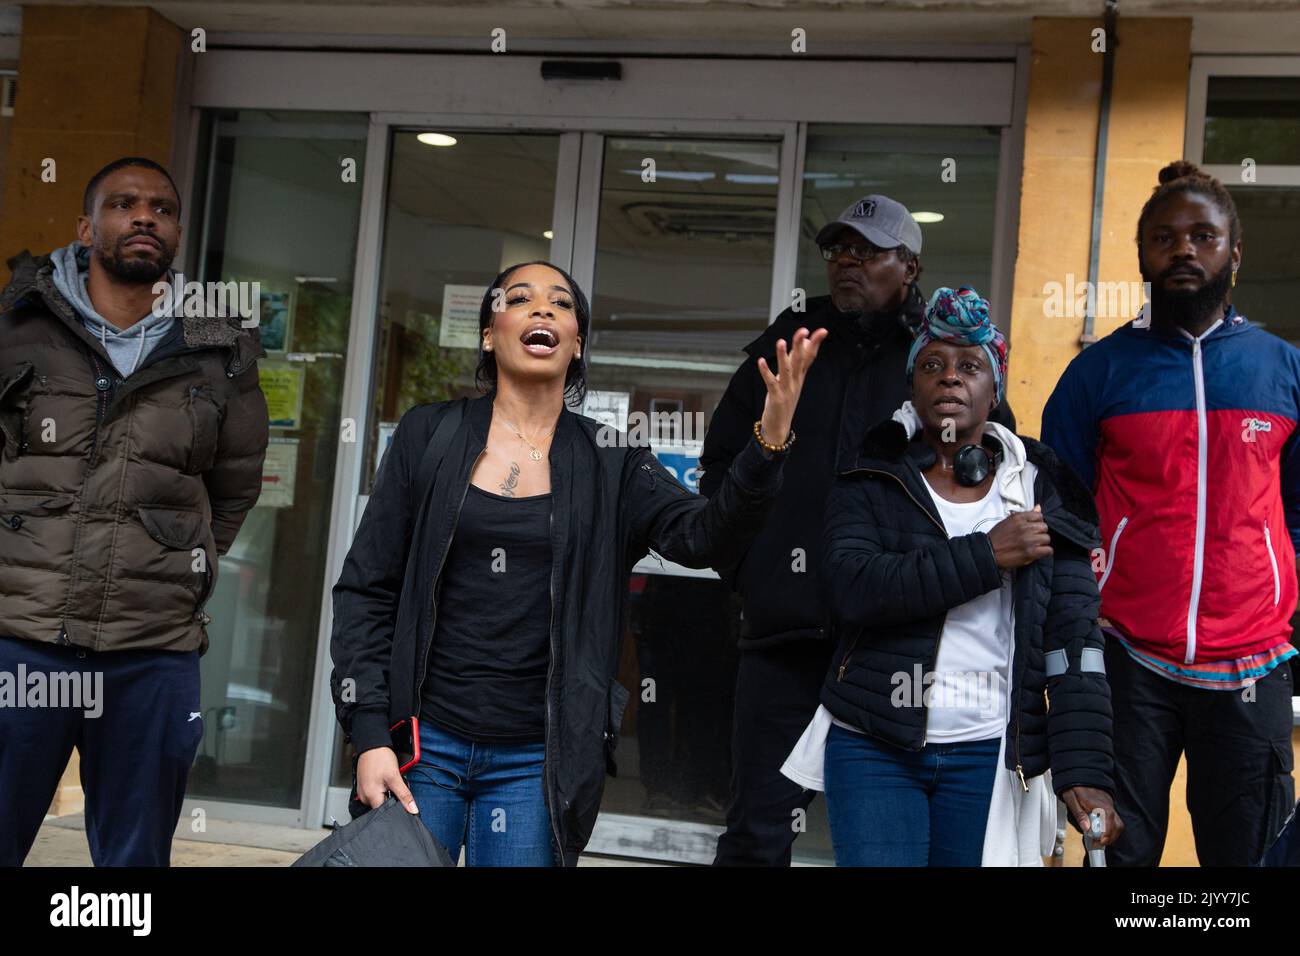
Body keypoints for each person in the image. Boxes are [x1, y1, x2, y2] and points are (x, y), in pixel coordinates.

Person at [329, 260, 825, 867]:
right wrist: (370, 735)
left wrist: (770, 440)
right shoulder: (428, 436)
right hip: (421, 747)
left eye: (561, 304)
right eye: (521, 298)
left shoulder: (610, 459)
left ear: (576, 343)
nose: (543, 310)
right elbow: (365, 590)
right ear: (490, 331)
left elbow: (706, 537)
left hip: (537, 762)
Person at [702, 195, 1015, 865]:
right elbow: (721, 471)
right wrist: (749, 568)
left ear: (909, 265)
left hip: (890, 645)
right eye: (839, 250)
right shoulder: (790, 343)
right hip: (786, 634)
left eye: (867, 252)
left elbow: (987, 478)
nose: (848, 263)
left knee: (893, 843)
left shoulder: (939, 358)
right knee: (759, 830)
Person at [781, 286, 1120, 866]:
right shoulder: (871, 476)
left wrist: (1085, 769)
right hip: (873, 743)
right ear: (912, 387)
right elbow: (855, 589)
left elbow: (1074, 641)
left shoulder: (1042, 487)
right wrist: (988, 555)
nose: (950, 378)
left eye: (971, 366)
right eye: (932, 365)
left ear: (995, 389)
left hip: (990, 753)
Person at [0, 157, 270, 866]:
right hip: (20, 639)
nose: (144, 216)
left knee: (132, 865)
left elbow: (236, 482)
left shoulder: (221, 349)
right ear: (87, 227)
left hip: (152, 653)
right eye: (123, 205)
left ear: (177, 233)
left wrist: (183, 563)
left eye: (161, 207)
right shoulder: (16, 327)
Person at [1042, 161, 1300, 866]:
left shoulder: (1283, 371)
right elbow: (1063, 516)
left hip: (1253, 661)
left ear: (1234, 254)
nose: (1183, 249)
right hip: (1127, 658)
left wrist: (1272, 581)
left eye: (1203, 236)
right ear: (1142, 255)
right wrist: (1080, 624)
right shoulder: (1097, 374)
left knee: (1245, 859)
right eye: (1164, 237)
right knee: (1119, 855)